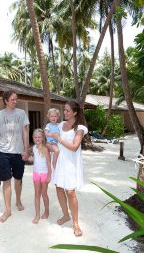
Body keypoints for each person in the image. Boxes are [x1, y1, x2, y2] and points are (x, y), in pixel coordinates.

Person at [50, 100, 88, 237]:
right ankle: (66, 215)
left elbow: (74, 146)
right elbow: (50, 139)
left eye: (67, 110)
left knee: (70, 192)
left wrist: (58, 138)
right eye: (64, 110)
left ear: (75, 112)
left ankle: (76, 222)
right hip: (60, 161)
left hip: (71, 163)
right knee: (59, 188)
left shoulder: (80, 128)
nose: (64, 113)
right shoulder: (59, 125)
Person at [0, 90, 30, 223]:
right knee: (6, 180)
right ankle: (8, 210)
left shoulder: (21, 113)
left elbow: (25, 132)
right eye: (12, 99)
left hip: (18, 152)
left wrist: (26, 149)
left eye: (16, 99)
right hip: (3, 153)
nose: (15, 101)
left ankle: (18, 200)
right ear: (6, 101)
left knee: (18, 179)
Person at [30, 129, 52, 224]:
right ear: (33, 138)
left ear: (43, 138)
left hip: (44, 174)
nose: (37, 138)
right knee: (36, 194)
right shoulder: (34, 148)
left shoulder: (45, 148)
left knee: (44, 194)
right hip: (36, 173)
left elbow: (48, 162)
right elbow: (37, 159)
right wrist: (32, 159)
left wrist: (49, 175)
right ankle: (37, 215)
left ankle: (47, 211)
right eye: (35, 137)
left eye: (39, 137)